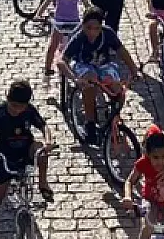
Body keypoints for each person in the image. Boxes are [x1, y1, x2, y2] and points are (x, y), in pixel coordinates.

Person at [0, 80, 56, 236]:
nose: (16, 110)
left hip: (26, 150)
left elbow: (43, 126)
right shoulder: (0, 113)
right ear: (7, 99)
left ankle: (43, 183)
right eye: (13, 106)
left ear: (26, 104)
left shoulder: (29, 111)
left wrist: (49, 141)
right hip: (6, 155)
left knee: (40, 149)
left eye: (20, 107)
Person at [57, 8, 141, 145]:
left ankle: (114, 114)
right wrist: (74, 79)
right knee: (89, 81)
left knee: (117, 87)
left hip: (104, 64)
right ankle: (90, 122)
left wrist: (134, 69)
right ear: (83, 25)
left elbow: (122, 51)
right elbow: (61, 61)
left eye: (96, 28)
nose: (92, 32)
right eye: (89, 28)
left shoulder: (108, 34)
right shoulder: (79, 37)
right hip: (83, 64)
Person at [34, 0, 91, 76]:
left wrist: (91, 15)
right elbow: (46, 2)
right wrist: (38, 14)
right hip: (59, 21)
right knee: (53, 45)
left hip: (74, 22)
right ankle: (47, 67)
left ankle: (80, 66)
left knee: (78, 45)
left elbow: (87, 5)